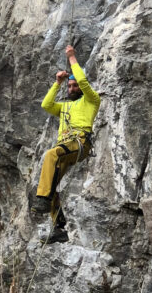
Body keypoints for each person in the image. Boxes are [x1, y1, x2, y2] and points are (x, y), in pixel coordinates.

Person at [31, 44, 101, 243]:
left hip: (79, 144)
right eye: (70, 86)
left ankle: (43, 200)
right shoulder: (64, 107)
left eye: (74, 85)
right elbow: (46, 105)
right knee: (49, 180)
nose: (72, 88)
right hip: (66, 147)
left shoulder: (92, 101)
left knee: (51, 155)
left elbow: (84, 82)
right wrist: (58, 83)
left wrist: (72, 58)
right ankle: (59, 227)